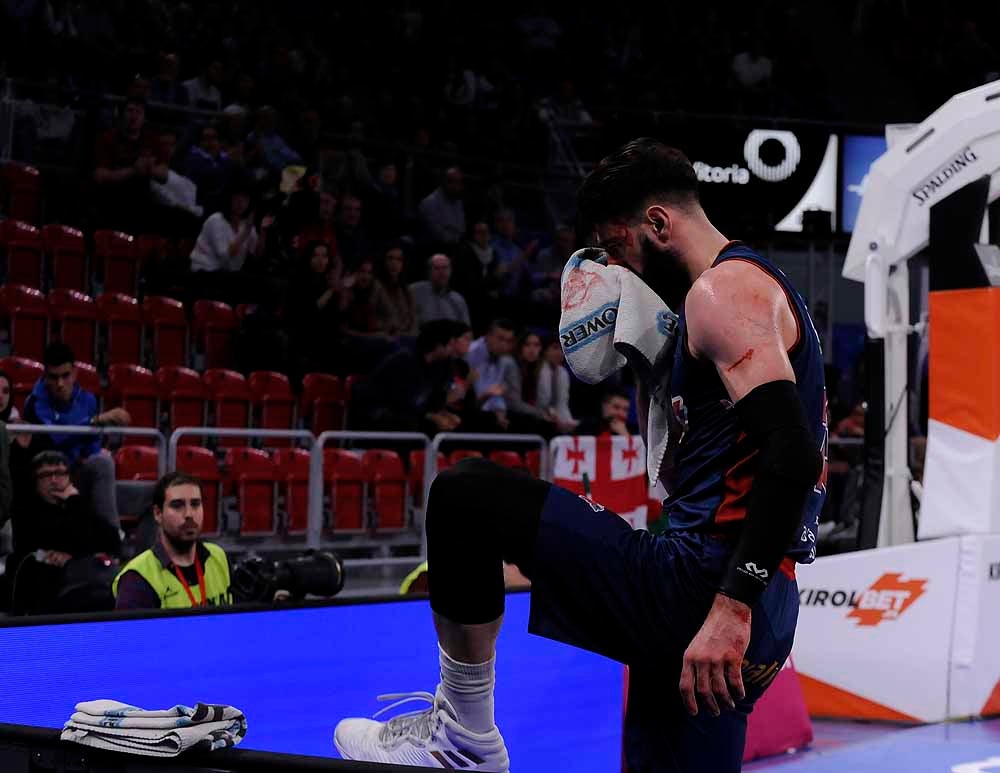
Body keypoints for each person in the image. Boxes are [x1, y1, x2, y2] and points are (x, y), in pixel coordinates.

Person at [333, 138, 827, 772]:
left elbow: (789, 452)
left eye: (616, 249)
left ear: (657, 223)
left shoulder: (719, 294)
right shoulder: (765, 290)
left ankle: (463, 733)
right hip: (765, 610)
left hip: (702, 587)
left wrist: (731, 604)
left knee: (464, 495)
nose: (616, 271)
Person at [22, 343, 130, 529]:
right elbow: (56, 438)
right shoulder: (35, 404)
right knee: (102, 464)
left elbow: (92, 448)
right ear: (45, 377)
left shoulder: (88, 400)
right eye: (53, 377)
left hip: (78, 476)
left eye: (65, 376)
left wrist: (94, 452)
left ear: (75, 373)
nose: (60, 384)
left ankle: (148, 554)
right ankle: (113, 543)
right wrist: (96, 421)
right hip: (48, 479)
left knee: (154, 496)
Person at [6, 450, 120, 615]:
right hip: (47, 583)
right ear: (35, 481)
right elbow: (48, 539)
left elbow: (113, 542)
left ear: (69, 478)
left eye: (60, 473)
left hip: (84, 581)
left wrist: (74, 501)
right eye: (46, 475)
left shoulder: (79, 505)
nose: (54, 480)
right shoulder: (27, 511)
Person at [113, 472, 233, 610]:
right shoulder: (136, 579)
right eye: (177, 505)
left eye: (195, 504)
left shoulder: (219, 557)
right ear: (158, 514)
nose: (189, 514)